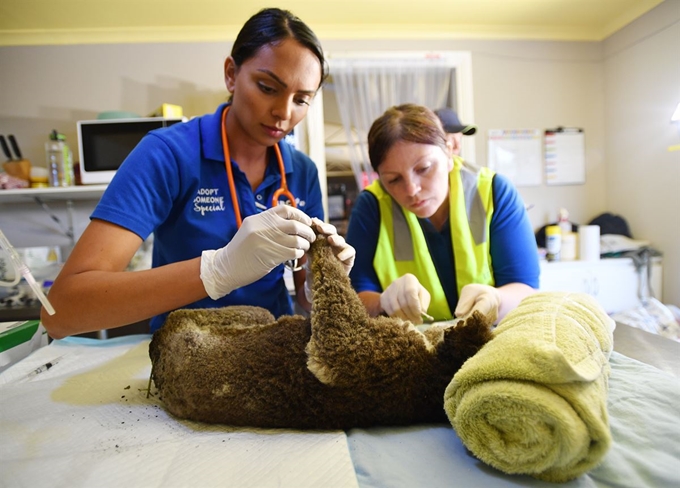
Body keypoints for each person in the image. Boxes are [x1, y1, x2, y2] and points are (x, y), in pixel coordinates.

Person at [41, 8, 355, 339]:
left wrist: (324, 279)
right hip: (187, 357)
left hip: (272, 357)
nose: (284, 112)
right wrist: (217, 271)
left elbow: (306, 297)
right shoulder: (168, 154)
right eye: (267, 87)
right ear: (231, 74)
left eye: (302, 100)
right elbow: (62, 311)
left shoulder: (300, 171)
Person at [345, 104, 538, 325]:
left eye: (424, 168)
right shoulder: (371, 206)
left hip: (489, 338)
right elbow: (354, 297)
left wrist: (498, 300)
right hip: (414, 347)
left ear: (449, 152)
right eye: (394, 180)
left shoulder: (493, 192)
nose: (412, 190)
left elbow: (525, 287)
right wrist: (382, 303)